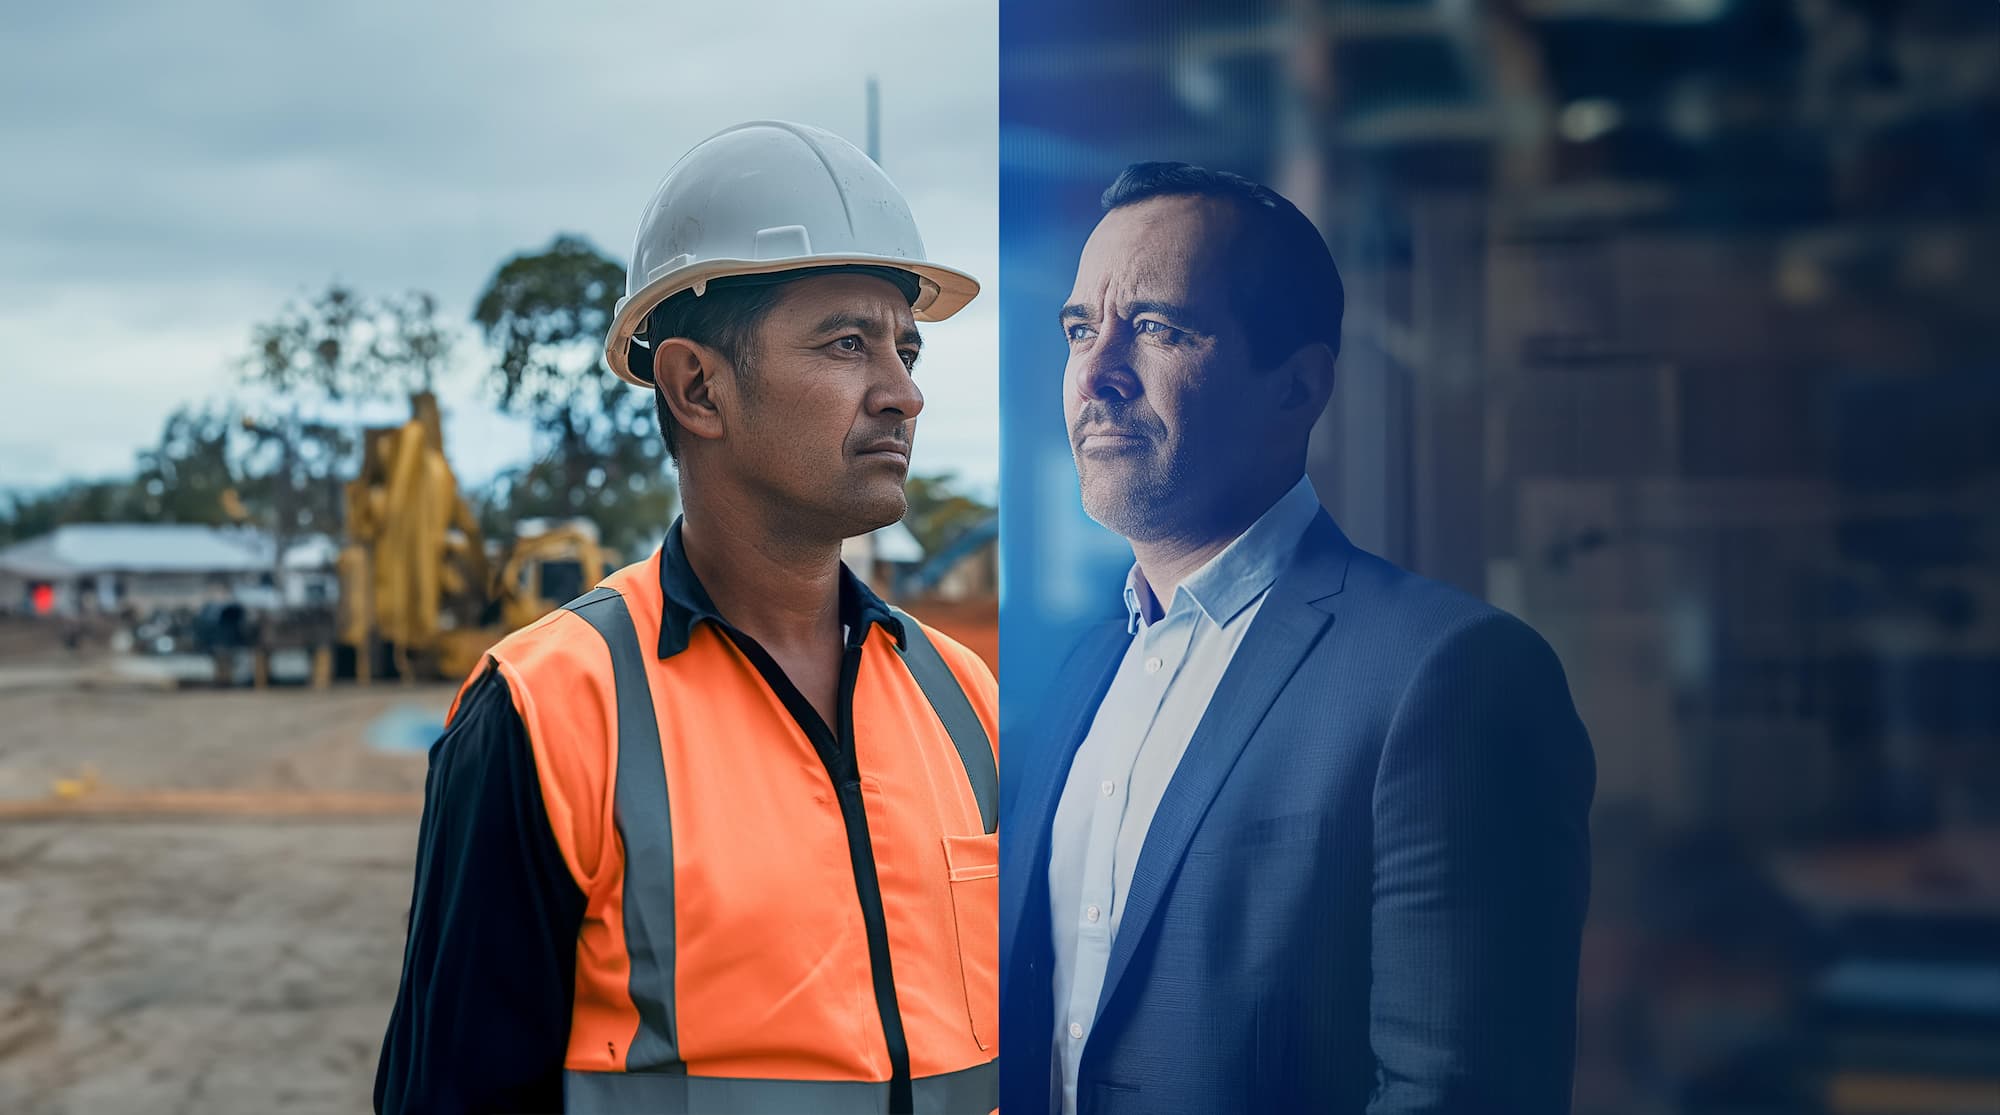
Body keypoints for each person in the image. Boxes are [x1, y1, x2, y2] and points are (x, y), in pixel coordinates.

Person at [376, 121, 999, 1115]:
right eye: (848, 342)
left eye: (906, 345)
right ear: (694, 385)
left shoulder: (967, 702)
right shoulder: (546, 711)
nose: (904, 391)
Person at [998, 162, 1597, 1115]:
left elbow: (1459, 1095)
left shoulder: (1450, 677)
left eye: (1155, 326)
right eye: (1081, 328)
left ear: (1298, 385)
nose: (1098, 371)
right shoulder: (1080, 677)